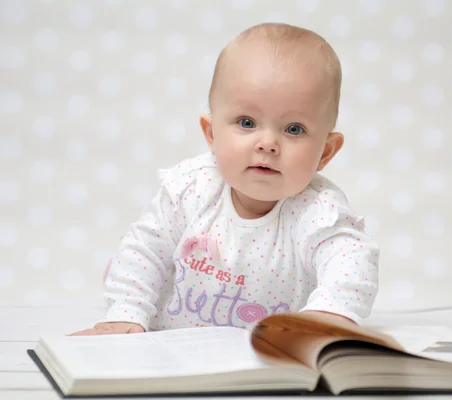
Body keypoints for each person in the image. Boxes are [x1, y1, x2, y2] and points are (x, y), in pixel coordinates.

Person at [71, 22, 379, 336]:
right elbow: (143, 251)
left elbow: (351, 263)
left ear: (326, 152)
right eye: (247, 122)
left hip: (268, 355)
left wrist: (328, 314)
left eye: (294, 129)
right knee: (134, 267)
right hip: (170, 347)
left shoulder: (319, 212)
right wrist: (127, 312)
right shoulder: (189, 189)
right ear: (211, 134)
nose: (267, 143)